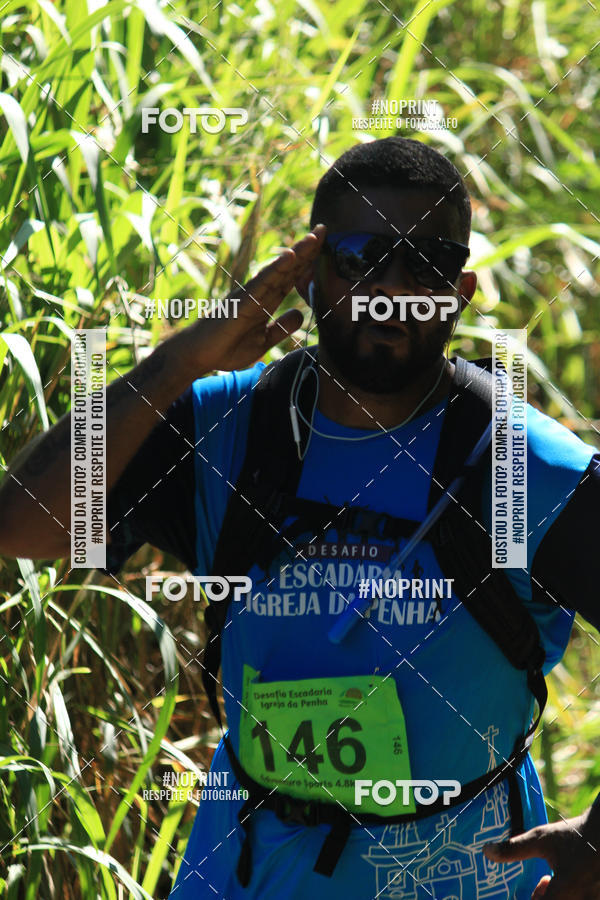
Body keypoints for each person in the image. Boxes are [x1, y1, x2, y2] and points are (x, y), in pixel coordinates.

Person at [2, 137, 600, 900]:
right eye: (361, 255)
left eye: (427, 264)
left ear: (461, 290)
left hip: (453, 878)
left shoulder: (519, 465)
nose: (392, 290)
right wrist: (187, 354)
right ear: (308, 273)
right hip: (245, 868)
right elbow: (22, 526)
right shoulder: (226, 428)